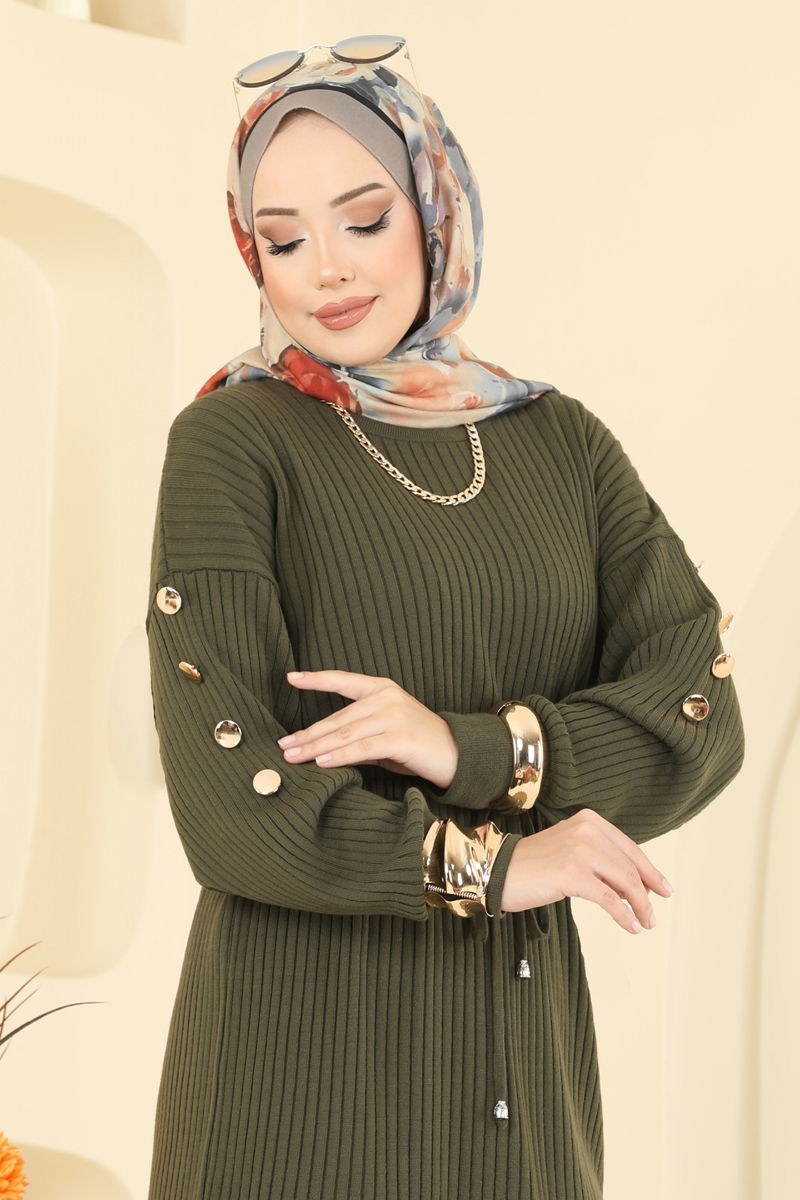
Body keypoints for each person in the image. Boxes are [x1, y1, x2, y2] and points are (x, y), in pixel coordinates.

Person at [144, 36, 745, 1200]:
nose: (326, 269)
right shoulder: (234, 442)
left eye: (364, 219)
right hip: (296, 1085)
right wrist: (502, 865)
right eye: (281, 239)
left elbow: (697, 711)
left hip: (519, 1083)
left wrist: (469, 749)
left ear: (434, 207)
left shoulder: (556, 442)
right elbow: (230, 808)